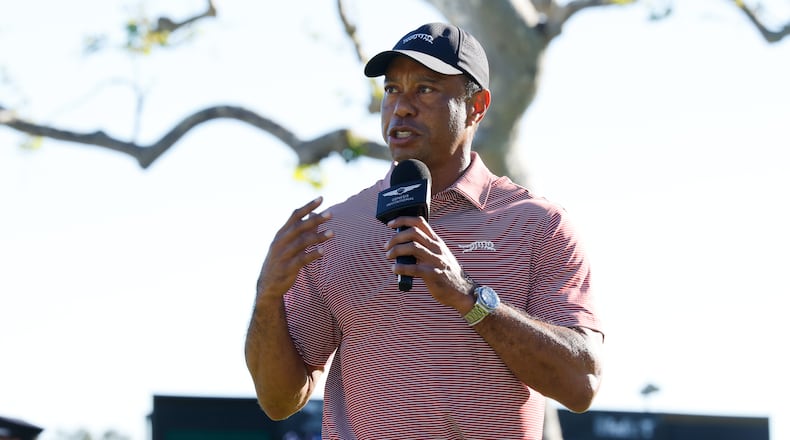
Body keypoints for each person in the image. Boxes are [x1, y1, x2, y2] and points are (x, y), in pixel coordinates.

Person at [245, 22, 604, 439]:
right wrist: (267, 298)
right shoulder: (335, 229)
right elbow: (278, 400)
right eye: (393, 89)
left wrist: (469, 298)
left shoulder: (537, 224)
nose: (401, 107)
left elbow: (582, 384)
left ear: (477, 106)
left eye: (426, 89)